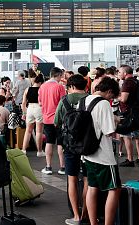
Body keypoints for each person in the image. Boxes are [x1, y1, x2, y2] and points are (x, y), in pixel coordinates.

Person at [83, 77, 121, 225]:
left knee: (92, 187)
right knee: (115, 189)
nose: (111, 99)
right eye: (112, 96)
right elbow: (109, 131)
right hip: (103, 155)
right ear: (109, 91)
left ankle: (93, 223)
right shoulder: (103, 103)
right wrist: (116, 121)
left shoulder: (85, 100)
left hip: (87, 153)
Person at [53, 75, 89, 225]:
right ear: (85, 86)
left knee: (72, 179)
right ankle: (86, 213)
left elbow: (57, 122)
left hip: (70, 145)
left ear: (72, 87)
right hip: (88, 144)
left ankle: (76, 216)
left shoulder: (64, 101)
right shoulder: (91, 99)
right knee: (88, 179)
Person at [38, 67, 66, 175]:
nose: (61, 78)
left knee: (49, 142)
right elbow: (64, 103)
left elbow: (40, 103)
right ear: (58, 75)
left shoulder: (42, 87)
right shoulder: (60, 87)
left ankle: (48, 167)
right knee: (60, 143)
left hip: (47, 118)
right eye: (61, 76)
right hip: (59, 119)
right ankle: (62, 167)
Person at [118, 65, 139, 167]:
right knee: (137, 136)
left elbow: (124, 99)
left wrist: (115, 96)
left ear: (124, 73)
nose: (118, 74)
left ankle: (130, 159)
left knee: (126, 136)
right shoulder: (137, 81)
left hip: (128, 113)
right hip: (137, 111)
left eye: (119, 72)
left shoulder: (127, 83)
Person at [21, 75, 45, 157]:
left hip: (30, 108)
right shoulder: (41, 90)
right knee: (39, 132)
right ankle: (39, 151)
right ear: (41, 82)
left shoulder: (27, 89)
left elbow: (23, 103)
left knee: (28, 131)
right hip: (39, 108)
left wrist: (24, 113)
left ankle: (23, 150)